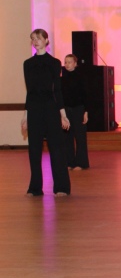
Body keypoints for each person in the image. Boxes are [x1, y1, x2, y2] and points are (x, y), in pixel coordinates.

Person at [21, 29, 71, 197]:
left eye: (38, 38)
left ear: (46, 41)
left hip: (51, 108)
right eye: (33, 39)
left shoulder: (55, 63)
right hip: (34, 109)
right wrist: (25, 115)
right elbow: (29, 92)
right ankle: (35, 188)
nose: (35, 41)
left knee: (56, 148)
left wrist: (63, 114)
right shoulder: (28, 64)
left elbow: (57, 90)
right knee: (34, 149)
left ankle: (62, 187)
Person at [60, 54, 90, 170]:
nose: (67, 64)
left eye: (69, 62)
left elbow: (86, 95)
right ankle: (69, 162)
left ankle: (81, 163)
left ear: (75, 63)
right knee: (67, 137)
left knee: (80, 137)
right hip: (66, 110)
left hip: (79, 109)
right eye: (65, 62)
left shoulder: (81, 77)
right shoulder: (62, 78)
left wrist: (86, 111)